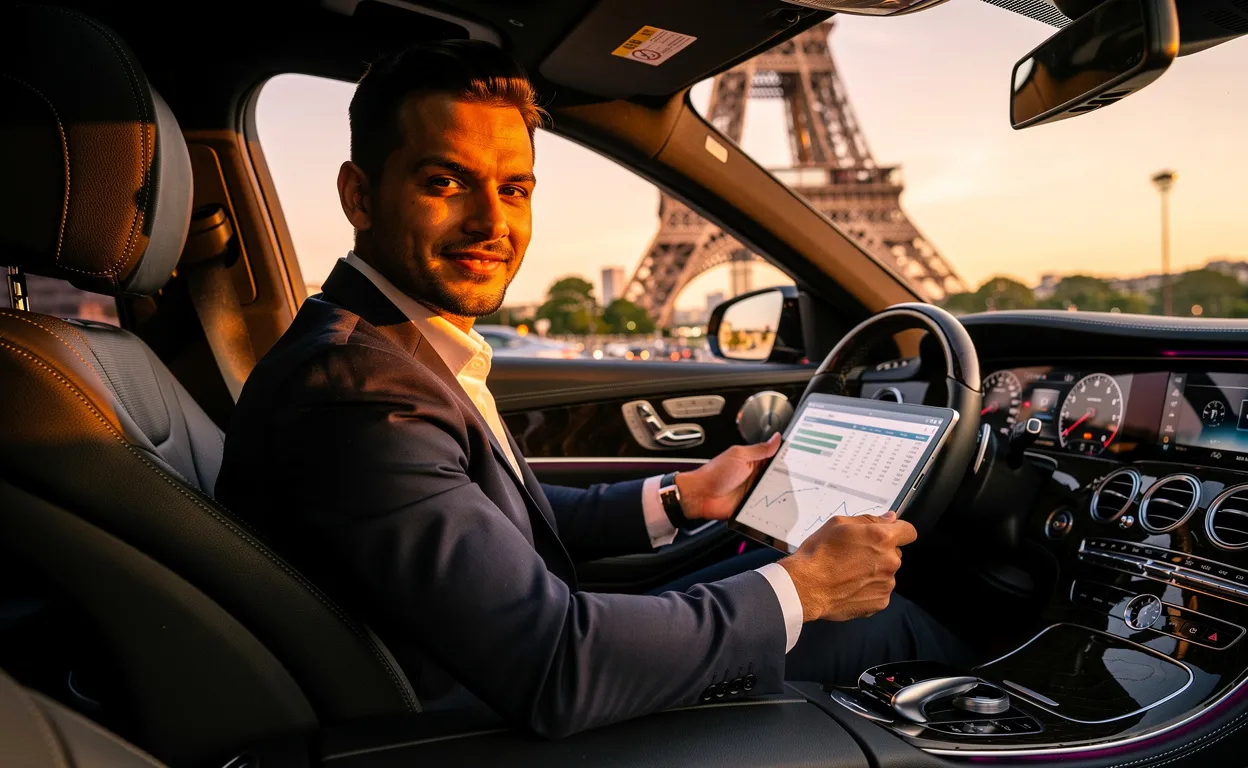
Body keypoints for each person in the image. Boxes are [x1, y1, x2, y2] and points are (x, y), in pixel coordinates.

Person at [215, 39, 967, 738]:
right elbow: (557, 665)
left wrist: (683, 496)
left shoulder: (383, 346)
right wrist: (806, 588)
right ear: (360, 196)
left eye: (514, 188)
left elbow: (492, 519)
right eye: (444, 182)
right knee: (881, 625)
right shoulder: (358, 394)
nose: (490, 221)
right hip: (467, 726)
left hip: (470, 667)